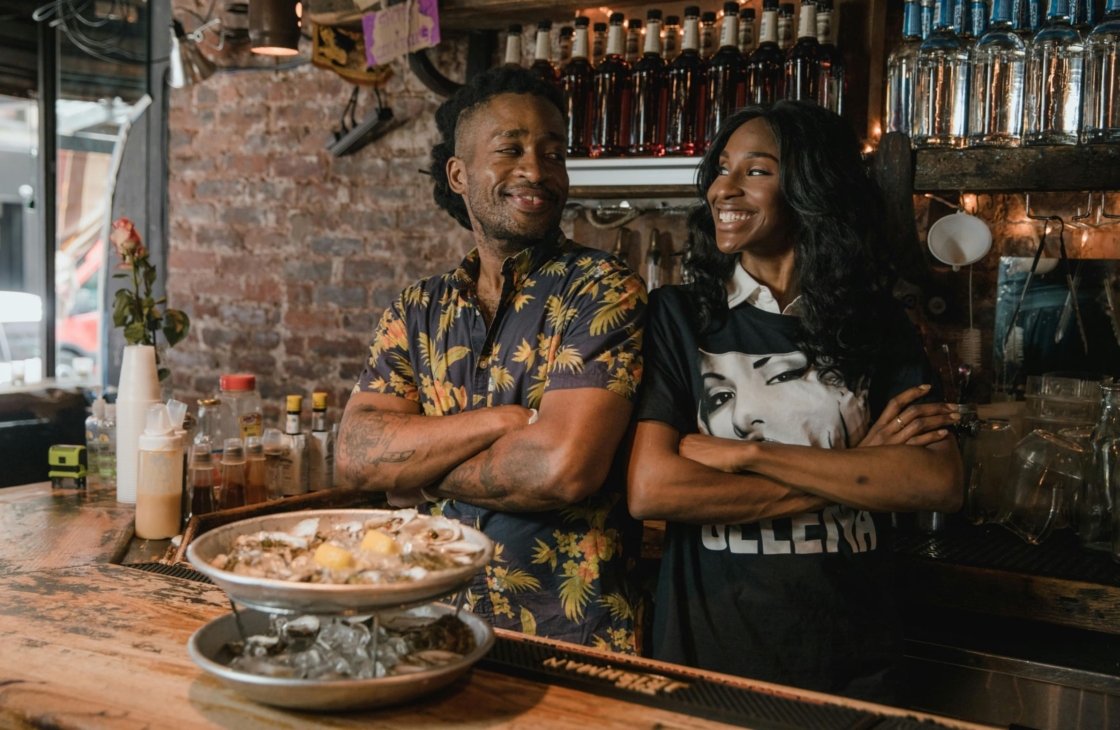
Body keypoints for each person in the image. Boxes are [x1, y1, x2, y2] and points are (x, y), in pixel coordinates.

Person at [627, 101, 963, 701]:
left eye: (754, 171)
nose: (721, 188)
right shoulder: (680, 317)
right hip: (712, 656)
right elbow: (654, 488)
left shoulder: (875, 323)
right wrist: (859, 463)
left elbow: (936, 481)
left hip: (852, 660)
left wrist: (744, 457)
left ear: (811, 187)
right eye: (721, 169)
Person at [335, 68, 647, 652]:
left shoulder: (602, 289)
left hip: (568, 635)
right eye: (512, 149)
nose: (537, 170)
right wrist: (500, 422)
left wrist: (419, 475)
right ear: (459, 173)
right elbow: (355, 456)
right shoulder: (417, 308)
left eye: (554, 153)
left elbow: (561, 467)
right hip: (427, 625)